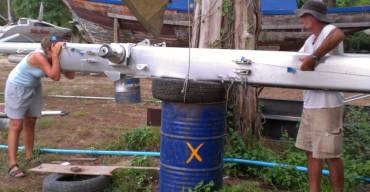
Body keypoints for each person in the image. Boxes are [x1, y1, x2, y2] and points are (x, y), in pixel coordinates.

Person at [5, 35, 75, 178]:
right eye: (56, 49)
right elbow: (55, 76)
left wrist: (67, 59)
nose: (59, 52)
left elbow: (70, 75)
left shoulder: (56, 55)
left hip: (34, 87)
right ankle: (12, 165)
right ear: (49, 49)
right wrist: (56, 56)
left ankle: (29, 156)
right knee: (16, 125)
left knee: (30, 122)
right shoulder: (38, 56)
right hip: (17, 87)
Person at [294, 1, 346, 192]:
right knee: (311, 152)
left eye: (304, 15)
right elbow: (297, 61)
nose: (301, 19)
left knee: (331, 154)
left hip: (327, 104)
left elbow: (339, 35)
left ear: (313, 17)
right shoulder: (310, 40)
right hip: (310, 104)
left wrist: (313, 58)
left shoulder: (329, 31)